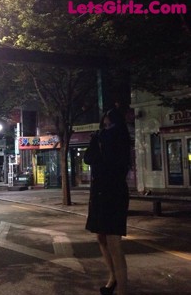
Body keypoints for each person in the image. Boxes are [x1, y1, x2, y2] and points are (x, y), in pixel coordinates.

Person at [85, 107, 131, 295]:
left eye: (109, 123)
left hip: (113, 192)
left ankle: (122, 289)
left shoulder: (115, 137)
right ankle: (113, 278)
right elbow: (89, 158)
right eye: (105, 122)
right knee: (101, 237)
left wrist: (98, 138)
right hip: (100, 192)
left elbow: (95, 157)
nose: (106, 126)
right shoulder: (104, 137)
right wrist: (97, 139)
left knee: (113, 240)